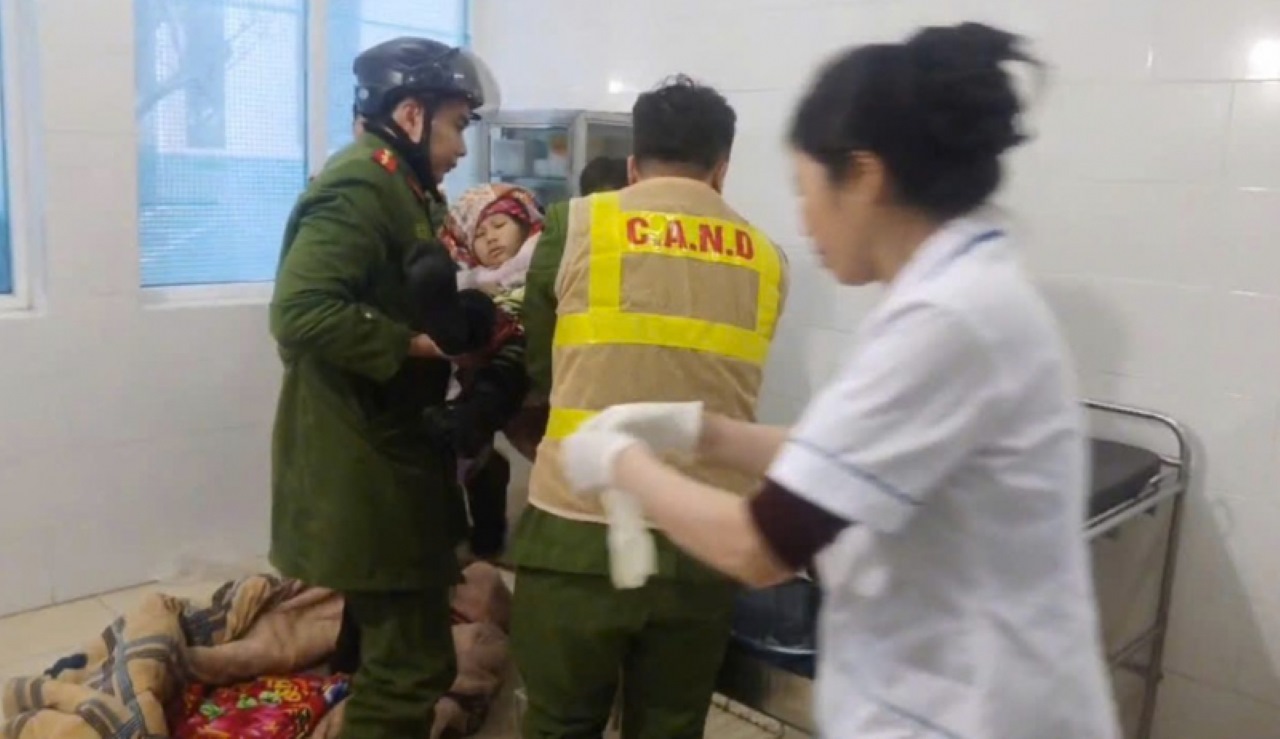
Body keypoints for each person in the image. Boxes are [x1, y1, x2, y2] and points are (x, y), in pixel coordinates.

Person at [556, 23, 1122, 739]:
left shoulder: (948, 318)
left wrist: (621, 463)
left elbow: (755, 548)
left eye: (805, 188)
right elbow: (850, 454)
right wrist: (708, 431)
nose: (804, 219)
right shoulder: (960, 294)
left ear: (865, 175)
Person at [510, 75, 789, 738]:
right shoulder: (769, 259)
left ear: (633, 164)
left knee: (559, 723)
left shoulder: (575, 225)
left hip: (579, 529)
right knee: (670, 726)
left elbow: (540, 365)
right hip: (702, 543)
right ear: (722, 169)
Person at [268, 36, 500, 739]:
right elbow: (300, 310)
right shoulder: (361, 186)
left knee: (400, 654)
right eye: (458, 124)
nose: (463, 146)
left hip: (392, 451)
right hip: (363, 464)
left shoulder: (405, 191)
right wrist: (414, 342)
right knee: (410, 671)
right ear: (409, 115)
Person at [431, 182, 546, 558]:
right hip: (488, 383)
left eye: (499, 224)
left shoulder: (546, 262)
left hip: (537, 378)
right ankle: (487, 539)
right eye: (479, 234)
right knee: (478, 458)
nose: (491, 239)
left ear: (525, 223)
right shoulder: (470, 284)